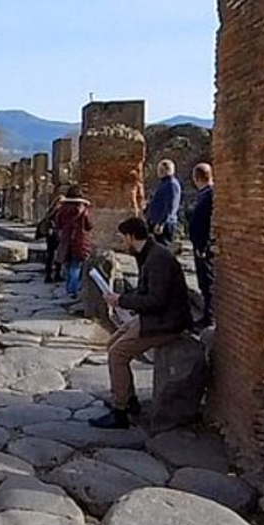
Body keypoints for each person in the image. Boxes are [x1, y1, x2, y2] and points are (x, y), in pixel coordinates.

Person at [90, 217, 193, 429]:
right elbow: (147, 293)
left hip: (166, 322)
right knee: (113, 344)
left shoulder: (158, 259)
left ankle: (121, 412)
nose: (122, 241)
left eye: (122, 237)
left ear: (130, 236)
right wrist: (123, 299)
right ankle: (129, 398)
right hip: (155, 317)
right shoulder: (149, 254)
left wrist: (121, 300)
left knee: (118, 354)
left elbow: (156, 300)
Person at [189, 163, 215, 330]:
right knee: (203, 283)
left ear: (196, 178)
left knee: (207, 283)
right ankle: (207, 315)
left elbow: (203, 223)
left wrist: (201, 246)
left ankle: (209, 317)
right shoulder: (205, 195)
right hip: (202, 246)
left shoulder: (209, 196)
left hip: (204, 248)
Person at [54, 186, 92, 297]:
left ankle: (69, 287)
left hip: (65, 239)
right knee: (76, 266)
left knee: (68, 264)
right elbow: (89, 225)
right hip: (79, 240)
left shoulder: (62, 209)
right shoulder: (83, 209)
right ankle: (72, 289)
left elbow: (58, 224)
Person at [146, 159, 182, 247]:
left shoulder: (171, 185)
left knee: (163, 248)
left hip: (164, 225)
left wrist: (161, 222)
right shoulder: (164, 184)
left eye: (161, 170)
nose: (158, 172)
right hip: (157, 222)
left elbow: (170, 206)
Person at [35, 195, 64, 284]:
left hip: (50, 235)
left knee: (50, 255)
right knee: (59, 254)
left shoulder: (51, 210)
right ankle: (57, 274)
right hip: (57, 234)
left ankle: (48, 275)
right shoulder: (60, 210)